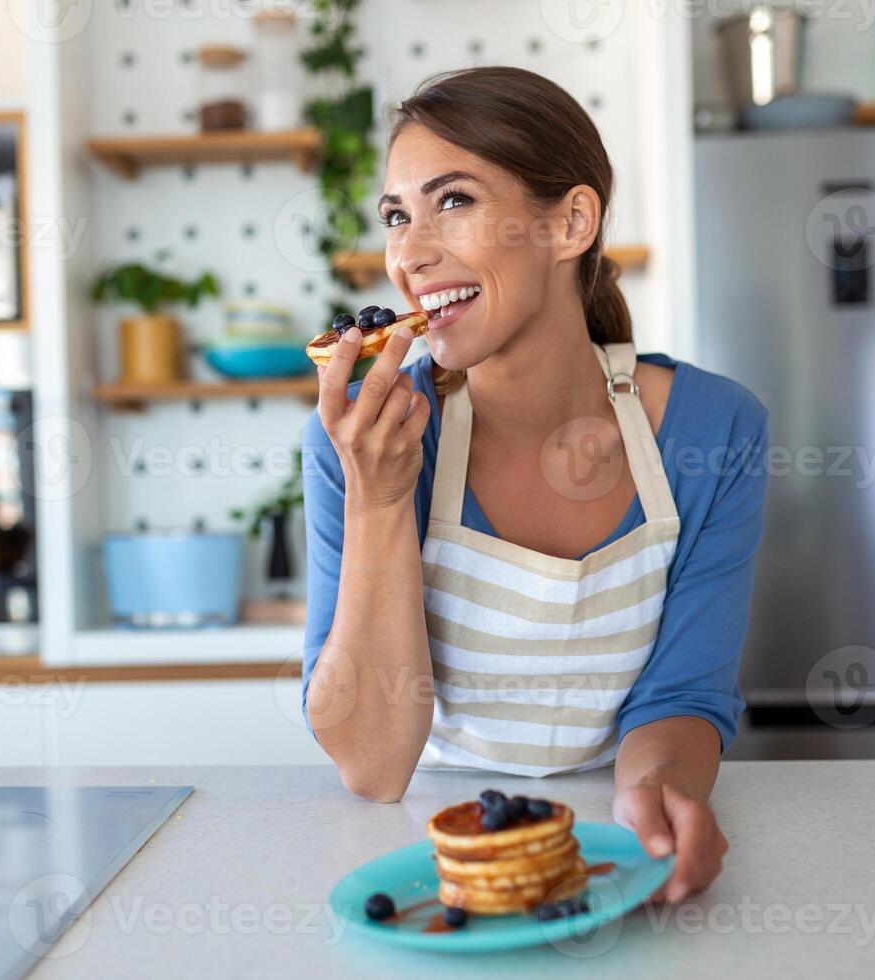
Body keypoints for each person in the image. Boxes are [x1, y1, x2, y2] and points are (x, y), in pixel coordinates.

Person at [302, 67, 768, 904]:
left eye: (453, 202)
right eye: (397, 216)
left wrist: (657, 796)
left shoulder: (713, 430)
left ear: (571, 223)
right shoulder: (364, 441)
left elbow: (683, 694)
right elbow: (373, 770)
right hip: (421, 862)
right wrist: (376, 500)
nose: (408, 255)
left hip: (609, 852)